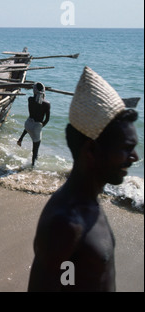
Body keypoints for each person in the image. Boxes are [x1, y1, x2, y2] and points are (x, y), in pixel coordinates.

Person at [28, 66, 139, 292]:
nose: (135, 157)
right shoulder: (65, 224)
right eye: (126, 148)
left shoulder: (88, 203)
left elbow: (72, 280)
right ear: (91, 150)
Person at [17, 82, 50, 167]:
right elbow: (47, 119)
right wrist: (41, 126)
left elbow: (35, 97)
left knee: (29, 127)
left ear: (34, 91)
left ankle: (20, 139)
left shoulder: (30, 99)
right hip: (36, 127)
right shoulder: (47, 104)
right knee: (35, 150)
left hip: (28, 124)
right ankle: (33, 167)